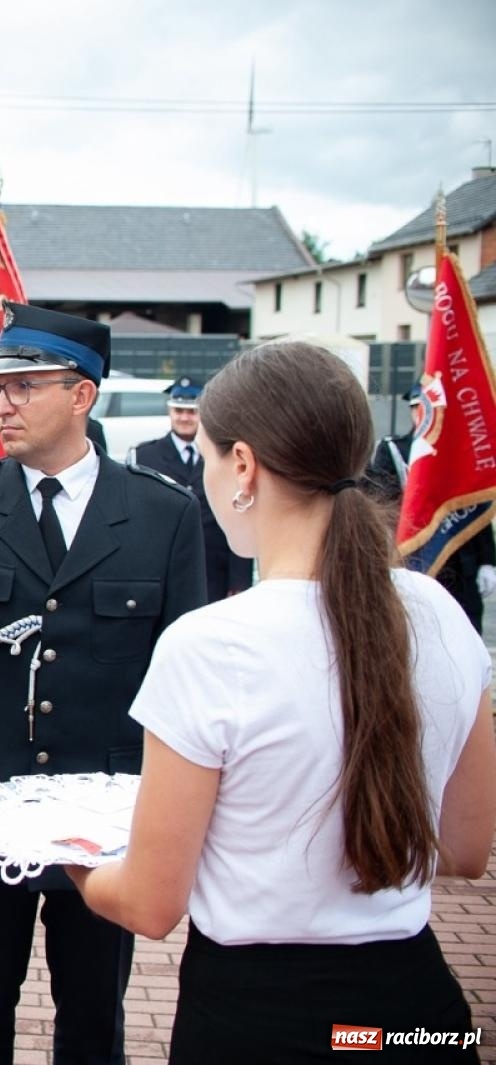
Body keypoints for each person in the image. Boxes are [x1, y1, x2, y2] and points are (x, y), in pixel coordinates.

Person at [67, 341, 496, 1063]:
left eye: (209, 457)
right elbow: (465, 847)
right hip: (415, 1016)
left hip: (259, 1019)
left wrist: (69, 858)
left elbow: (148, 903)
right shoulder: (440, 614)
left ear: (243, 465)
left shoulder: (210, 644)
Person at [0, 300, 206, 1065]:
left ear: (82, 393)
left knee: (93, 1017)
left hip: (107, 816)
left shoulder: (161, 513)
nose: (3, 403)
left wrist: (172, 819)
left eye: (25, 386)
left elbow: (183, 688)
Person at [363, 384, 496, 632]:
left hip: (460, 563)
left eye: (432, 408)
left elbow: (477, 507)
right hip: (414, 558)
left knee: (465, 630)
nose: (423, 413)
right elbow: (382, 499)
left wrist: (488, 560)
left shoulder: (460, 455)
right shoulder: (394, 450)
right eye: (418, 407)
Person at [131, 377, 252, 601]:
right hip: (160, 571)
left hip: (214, 572)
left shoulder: (225, 458)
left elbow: (239, 514)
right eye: (178, 411)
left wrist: (240, 580)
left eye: (191, 412)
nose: (184, 418)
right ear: (170, 411)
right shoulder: (145, 456)